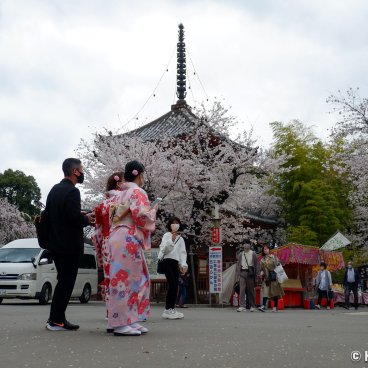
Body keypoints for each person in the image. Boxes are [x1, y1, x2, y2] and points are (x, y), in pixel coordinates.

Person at [107, 161, 158, 336]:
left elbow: (112, 217)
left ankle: (130, 319)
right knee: (127, 279)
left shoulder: (118, 194)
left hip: (116, 235)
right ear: (139, 175)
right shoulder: (137, 192)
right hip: (128, 236)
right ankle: (120, 322)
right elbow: (142, 217)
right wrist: (153, 211)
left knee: (131, 278)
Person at [44, 158, 95, 331]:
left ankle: (56, 318)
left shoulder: (55, 189)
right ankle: (56, 320)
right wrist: (86, 218)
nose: (82, 172)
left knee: (62, 281)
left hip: (55, 243)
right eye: (81, 169)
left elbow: (55, 215)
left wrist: (77, 215)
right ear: (75, 171)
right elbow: (74, 219)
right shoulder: (73, 191)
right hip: (69, 246)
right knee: (66, 282)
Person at [92, 172, 124, 315]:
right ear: (118, 184)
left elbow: (96, 233)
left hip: (106, 243)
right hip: (123, 242)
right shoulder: (125, 202)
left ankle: (110, 312)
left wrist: (99, 253)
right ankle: (124, 312)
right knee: (125, 275)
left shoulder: (102, 206)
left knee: (110, 276)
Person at [158, 216, 188, 319]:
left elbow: (182, 253)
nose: (175, 225)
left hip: (175, 263)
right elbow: (164, 250)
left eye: (177, 223)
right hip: (167, 261)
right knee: (172, 285)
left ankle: (171, 309)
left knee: (175, 286)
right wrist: (172, 238)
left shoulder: (181, 239)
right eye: (173, 223)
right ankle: (167, 309)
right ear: (169, 225)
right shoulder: (166, 235)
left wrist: (183, 265)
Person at [235, 239, 260, 312]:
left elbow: (257, 264)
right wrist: (237, 274)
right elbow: (238, 264)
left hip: (250, 274)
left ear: (250, 245)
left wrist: (257, 274)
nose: (246, 245)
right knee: (242, 289)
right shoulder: (241, 254)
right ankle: (242, 306)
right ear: (243, 245)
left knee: (250, 290)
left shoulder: (253, 254)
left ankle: (252, 305)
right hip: (242, 273)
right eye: (244, 244)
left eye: (247, 243)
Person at [258, 245, 284, 312]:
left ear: (269, 249)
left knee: (274, 292)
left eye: (266, 249)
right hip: (266, 278)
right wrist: (261, 273)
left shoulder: (273, 257)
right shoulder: (262, 259)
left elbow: (278, 264)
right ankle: (263, 306)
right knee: (265, 292)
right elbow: (261, 268)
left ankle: (275, 307)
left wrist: (275, 257)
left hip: (273, 277)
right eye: (264, 249)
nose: (265, 250)